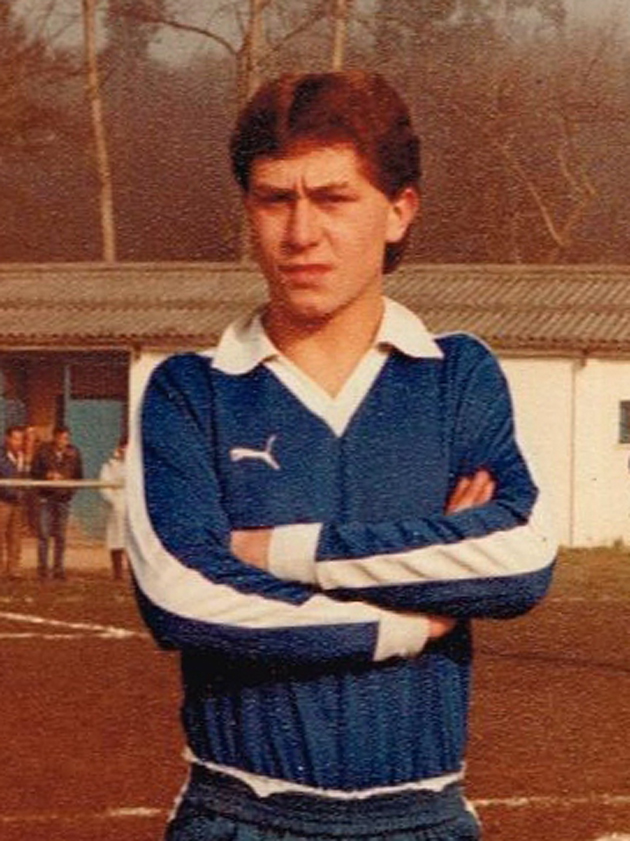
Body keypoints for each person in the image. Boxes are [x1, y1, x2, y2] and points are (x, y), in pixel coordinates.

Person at [127, 71, 557, 841]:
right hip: (242, 817)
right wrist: (417, 618)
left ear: (399, 211)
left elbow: (519, 556)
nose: (301, 232)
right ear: (249, 211)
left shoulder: (458, 375)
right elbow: (183, 593)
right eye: (275, 199)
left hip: (422, 819)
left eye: (333, 198)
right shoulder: (189, 390)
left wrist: (278, 552)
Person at [31, 425, 83, 580]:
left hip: (63, 499)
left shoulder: (74, 453)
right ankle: (42, 570)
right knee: (44, 534)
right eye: (61, 438)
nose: (63, 441)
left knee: (61, 535)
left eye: (66, 438)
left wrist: (69, 491)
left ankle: (58, 569)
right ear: (54, 438)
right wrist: (46, 475)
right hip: (46, 498)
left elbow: (79, 475)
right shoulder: (42, 452)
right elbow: (34, 472)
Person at [0, 425, 27, 580]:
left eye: (21, 439)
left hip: (18, 502)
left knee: (15, 537)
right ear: (7, 439)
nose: (19, 442)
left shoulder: (23, 457)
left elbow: (26, 477)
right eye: (16, 438)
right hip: (2, 501)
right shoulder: (1, 456)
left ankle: (13, 569)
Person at [99, 437, 127, 580]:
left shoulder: (137, 465)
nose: (125, 451)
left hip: (133, 507)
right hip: (117, 505)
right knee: (116, 539)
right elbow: (104, 485)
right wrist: (114, 501)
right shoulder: (110, 465)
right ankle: (117, 572)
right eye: (123, 447)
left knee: (133, 541)